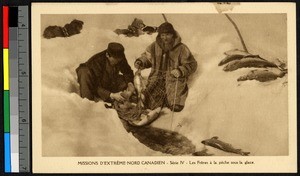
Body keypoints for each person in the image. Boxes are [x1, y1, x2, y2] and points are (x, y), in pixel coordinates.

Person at [134, 22, 197, 112]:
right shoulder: (154, 46)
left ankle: (171, 103)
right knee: (149, 100)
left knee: (174, 101)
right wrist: (141, 62)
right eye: (162, 35)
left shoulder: (182, 48)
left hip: (173, 78)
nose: (165, 37)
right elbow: (147, 57)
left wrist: (180, 70)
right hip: (156, 77)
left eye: (167, 34)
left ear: (172, 34)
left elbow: (192, 64)